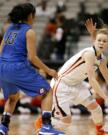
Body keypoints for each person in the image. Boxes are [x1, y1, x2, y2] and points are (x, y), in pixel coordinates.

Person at [34, 29, 108, 135]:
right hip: (61, 85)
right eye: (99, 40)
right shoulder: (89, 54)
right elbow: (92, 80)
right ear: (94, 41)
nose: (101, 43)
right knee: (66, 122)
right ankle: (41, 123)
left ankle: (99, 131)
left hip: (77, 84)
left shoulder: (102, 59)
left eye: (104, 41)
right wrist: (106, 98)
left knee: (97, 109)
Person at [0, 3, 65, 135]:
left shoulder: (9, 29)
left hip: (2, 67)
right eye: (34, 15)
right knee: (47, 91)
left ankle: (3, 127)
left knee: (13, 97)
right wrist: (49, 70)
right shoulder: (29, 32)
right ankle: (46, 127)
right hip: (17, 67)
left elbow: (1, 51)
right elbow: (32, 58)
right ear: (30, 16)